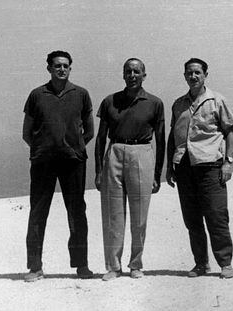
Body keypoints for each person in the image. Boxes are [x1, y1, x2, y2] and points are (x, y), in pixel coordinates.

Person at [22, 50, 94, 282]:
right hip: (43, 163)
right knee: (37, 212)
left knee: (76, 213)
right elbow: (27, 132)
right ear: (49, 69)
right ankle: (35, 267)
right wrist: (43, 149)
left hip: (73, 162)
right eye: (57, 66)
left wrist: (74, 149)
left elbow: (89, 130)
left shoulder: (81, 94)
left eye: (65, 66)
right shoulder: (36, 95)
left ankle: (81, 265)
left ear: (70, 68)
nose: (61, 69)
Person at [95, 58, 165, 281]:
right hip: (114, 152)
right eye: (128, 71)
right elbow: (100, 138)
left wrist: (157, 175)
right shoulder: (110, 101)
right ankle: (113, 267)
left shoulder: (155, 103)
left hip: (142, 153)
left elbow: (161, 141)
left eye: (137, 71)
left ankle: (136, 264)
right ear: (123, 74)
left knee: (139, 215)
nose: (132, 75)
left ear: (144, 75)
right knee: (113, 214)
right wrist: (98, 171)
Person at [166, 58, 233, 279]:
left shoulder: (217, 100)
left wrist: (228, 162)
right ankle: (201, 264)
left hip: (211, 167)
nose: (193, 76)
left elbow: (230, 132)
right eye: (189, 73)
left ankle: (225, 263)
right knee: (192, 219)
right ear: (184, 75)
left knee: (216, 217)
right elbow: (173, 135)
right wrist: (170, 165)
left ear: (206, 74)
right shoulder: (178, 104)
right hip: (184, 167)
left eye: (197, 72)